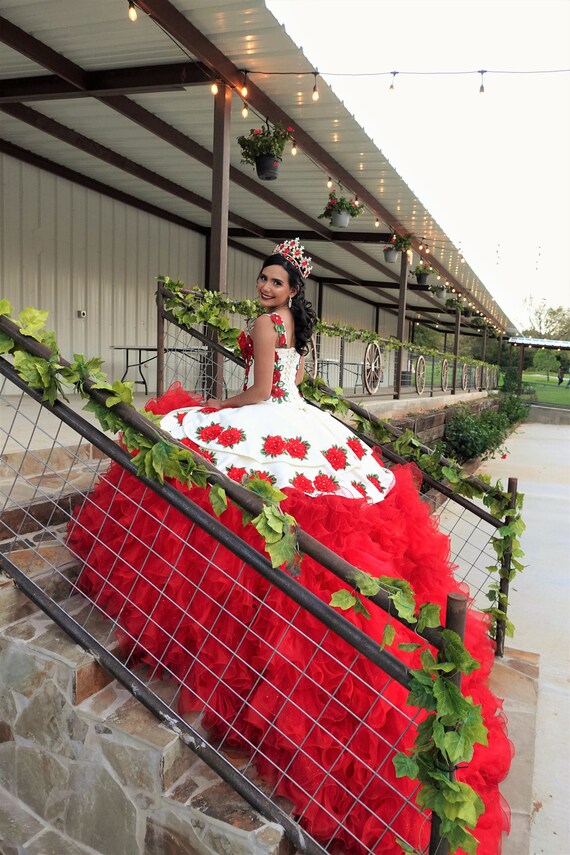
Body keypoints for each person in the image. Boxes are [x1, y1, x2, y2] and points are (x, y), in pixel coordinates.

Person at [67, 239, 511, 855]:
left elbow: (257, 393)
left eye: (275, 281)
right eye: (263, 279)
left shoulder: (262, 323)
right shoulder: (292, 329)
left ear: (293, 291)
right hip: (298, 414)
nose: (265, 287)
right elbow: (283, 384)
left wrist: (218, 406)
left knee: (187, 437)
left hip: (273, 412)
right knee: (297, 505)